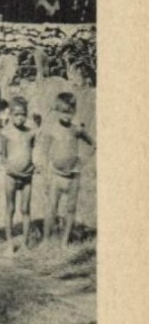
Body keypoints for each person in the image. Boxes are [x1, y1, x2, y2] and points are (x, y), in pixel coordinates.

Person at [38, 91, 95, 246]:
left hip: (74, 174)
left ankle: (64, 241)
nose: (67, 116)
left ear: (74, 112)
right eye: (63, 112)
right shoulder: (51, 129)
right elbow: (44, 151)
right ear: (57, 111)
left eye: (70, 112)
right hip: (56, 174)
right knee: (51, 207)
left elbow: (92, 143)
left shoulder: (76, 129)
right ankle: (46, 240)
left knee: (70, 208)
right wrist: (45, 171)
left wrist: (84, 159)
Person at [0, 95, 37, 254]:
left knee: (25, 209)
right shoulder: (5, 133)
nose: (20, 118)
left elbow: (33, 150)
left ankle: (25, 244)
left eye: (23, 114)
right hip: (11, 176)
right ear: (10, 114)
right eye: (17, 114)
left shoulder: (30, 133)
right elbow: (3, 155)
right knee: (10, 208)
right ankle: (9, 244)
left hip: (27, 176)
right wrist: (9, 168)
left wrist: (33, 165)